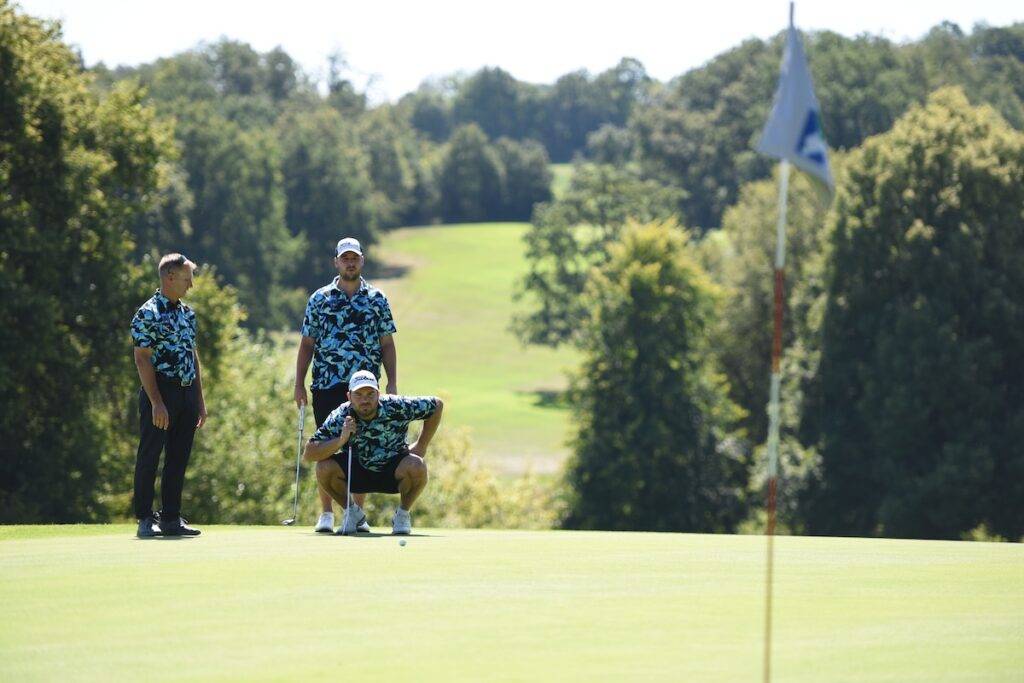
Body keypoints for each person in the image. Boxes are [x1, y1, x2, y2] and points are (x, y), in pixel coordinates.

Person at [294, 237, 398, 533]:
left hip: (365, 390)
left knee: (360, 449)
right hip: (327, 384)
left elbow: (387, 344)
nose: (350, 262)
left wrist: (392, 381)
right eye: (345, 258)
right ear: (336, 262)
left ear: (362, 261)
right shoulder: (320, 299)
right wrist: (299, 384)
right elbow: (306, 345)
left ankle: (357, 514)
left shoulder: (377, 298)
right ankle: (326, 514)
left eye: (354, 258)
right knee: (328, 447)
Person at [303, 371, 442, 535]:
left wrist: (421, 445)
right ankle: (352, 513)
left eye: (370, 394)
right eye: (358, 394)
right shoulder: (342, 414)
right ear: (349, 396)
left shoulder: (396, 405)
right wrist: (341, 439)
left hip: (393, 471)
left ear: (378, 393)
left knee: (417, 465)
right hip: (357, 472)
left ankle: (402, 515)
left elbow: (436, 405)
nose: (365, 400)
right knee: (323, 467)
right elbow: (309, 453)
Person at [130, 254, 208, 538]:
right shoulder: (148, 313)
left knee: (178, 457)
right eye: (187, 279)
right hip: (160, 392)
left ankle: (171, 518)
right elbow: (142, 359)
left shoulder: (188, 314)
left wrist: (199, 401)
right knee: (150, 455)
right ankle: (144, 518)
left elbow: (192, 355)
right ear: (170, 277)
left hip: (186, 393)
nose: (191, 285)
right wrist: (156, 402)